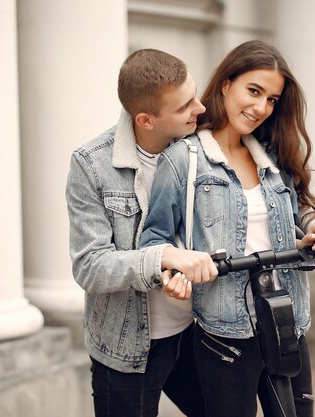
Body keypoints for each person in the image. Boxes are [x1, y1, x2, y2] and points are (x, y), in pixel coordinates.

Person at [139, 39, 315, 417]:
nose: (261, 108)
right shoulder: (183, 160)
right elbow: (154, 241)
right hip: (225, 334)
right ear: (226, 83)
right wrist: (173, 273)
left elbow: (297, 212)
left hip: (287, 320)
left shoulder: (271, 153)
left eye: (271, 99)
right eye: (254, 91)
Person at [65, 49, 218, 417]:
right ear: (146, 120)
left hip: (197, 331)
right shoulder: (92, 164)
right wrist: (163, 257)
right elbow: (90, 266)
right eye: (185, 107)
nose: (200, 108)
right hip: (126, 346)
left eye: (194, 94)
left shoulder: (200, 149)